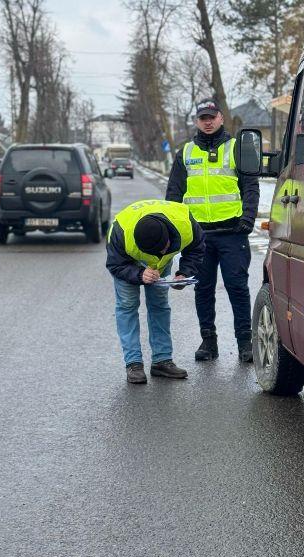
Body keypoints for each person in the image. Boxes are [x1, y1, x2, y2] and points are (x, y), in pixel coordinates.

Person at [166, 97, 260, 363]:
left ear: (221, 118)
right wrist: (175, 228)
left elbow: (251, 186)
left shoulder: (237, 148)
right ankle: (208, 342)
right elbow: (174, 194)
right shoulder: (186, 152)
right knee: (203, 289)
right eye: (203, 118)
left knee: (237, 288)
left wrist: (248, 217)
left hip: (233, 232)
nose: (207, 122)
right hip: (199, 236)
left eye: (212, 117)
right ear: (197, 121)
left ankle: (245, 343)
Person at [106, 199, 205, 384]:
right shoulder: (121, 233)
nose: (155, 256)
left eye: (161, 249)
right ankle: (134, 364)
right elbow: (115, 265)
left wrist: (184, 273)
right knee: (127, 306)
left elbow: (196, 248)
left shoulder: (185, 223)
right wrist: (139, 274)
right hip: (127, 261)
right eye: (151, 252)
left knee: (159, 305)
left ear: (168, 236)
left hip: (163, 263)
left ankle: (162, 360)